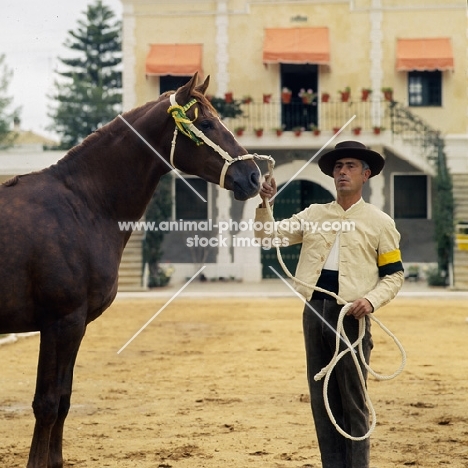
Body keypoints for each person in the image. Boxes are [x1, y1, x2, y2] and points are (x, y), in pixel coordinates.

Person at [255, 140, 404, 468]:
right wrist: (265, 201)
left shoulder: (381, 223)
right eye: (338, 167)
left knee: (353, 400)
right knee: (322, 402)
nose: (342, 172)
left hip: (351, 317)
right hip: (314, 313)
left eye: (350, 166)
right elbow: (268, 237)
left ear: (366, 174)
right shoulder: (313, 214)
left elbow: (394, 275)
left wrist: (370, 300)